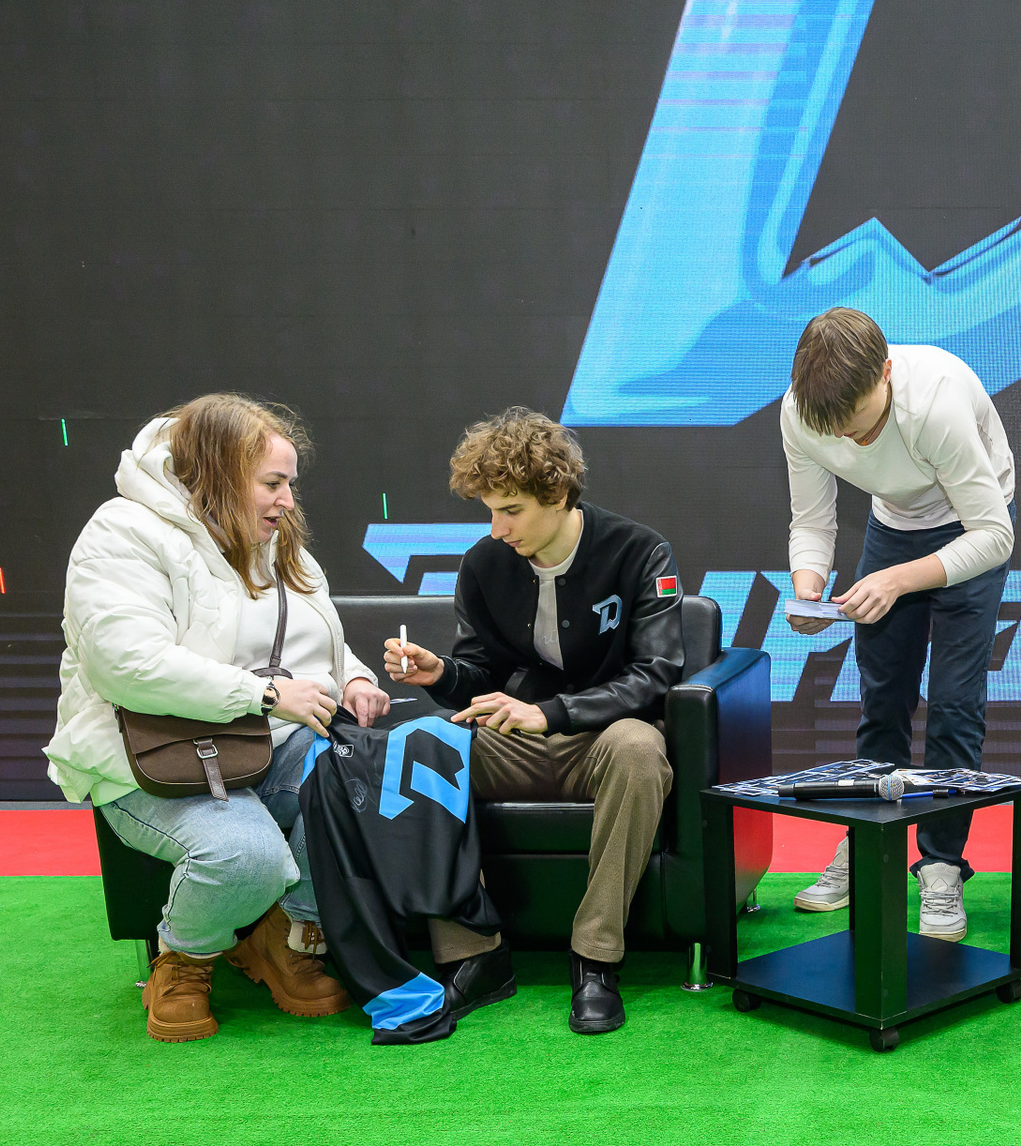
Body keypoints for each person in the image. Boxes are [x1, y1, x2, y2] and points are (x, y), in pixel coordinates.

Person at [46, 395, 391, 1042]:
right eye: (273, 483)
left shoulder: (273, 539)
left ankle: (287, 935)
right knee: (246, 857)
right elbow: (128, 666)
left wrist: (354, 677)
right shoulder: (122, 532)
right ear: (221, 472)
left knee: (368, 781)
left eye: (290, 483)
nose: (288, 500)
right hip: (151, 756)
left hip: (263, 741)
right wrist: (265, 696)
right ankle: (183, 957)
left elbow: (314, 635)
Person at [387, 408, 683, 1035]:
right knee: (422, 743)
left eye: (511, 511)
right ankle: (473, 957)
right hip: (515, 740)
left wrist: (551, 714)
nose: (497, 529)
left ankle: (595, 961)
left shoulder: (640, 551)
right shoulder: (484, 564)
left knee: (639, 748)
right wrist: (438, 673)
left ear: (558, 495)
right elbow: (479, 674)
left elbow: (655, 675)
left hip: (603, 738)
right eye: (490, 512)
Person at [779, 309, 1015, 940]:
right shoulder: (801, 412)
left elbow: (994, 536)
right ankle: (866, 849)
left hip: (972, 525)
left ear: (885, 373)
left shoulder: (936, 403)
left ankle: (940, 866)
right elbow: (812, 520)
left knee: (955, 705)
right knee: (882, 698)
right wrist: (808, 587)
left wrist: (898, 580)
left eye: (860, 422)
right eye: (835, 428)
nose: (849, 439)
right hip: (894, 525)